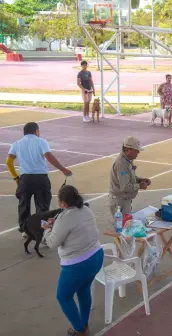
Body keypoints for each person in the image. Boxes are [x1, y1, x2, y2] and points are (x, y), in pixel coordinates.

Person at [42, 185, 103, 336]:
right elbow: (74, 227)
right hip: (96, 256)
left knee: (63, 296)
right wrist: (55, 225)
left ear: (63, 203)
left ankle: (79, 329)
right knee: (83, 289)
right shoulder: (85, 209)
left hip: (78, 264)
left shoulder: (64, 217)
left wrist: (47, 229)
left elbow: (52, 243)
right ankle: (84, 322)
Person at [6, 122, 72, 236]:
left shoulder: (16, 144)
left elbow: (8, 162)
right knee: (42, 205)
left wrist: (16, 177)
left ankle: (25, 230)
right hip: (40, 178)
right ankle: (42, 230)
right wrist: (63, 169)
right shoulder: (41, 142)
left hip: (25, 179)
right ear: (36, 131)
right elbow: (49, 157)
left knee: (23, 205)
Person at [109, 136, 151, 215]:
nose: (138, 152)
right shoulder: (121, 164)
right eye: (136, 150)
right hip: (120, 203)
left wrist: (140, 180)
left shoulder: (127, 160)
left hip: (123, 201)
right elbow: (125, 187)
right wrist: (139, 186)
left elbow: (128, 177)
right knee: (122, 226)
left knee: (126, 225)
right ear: (128, 150)